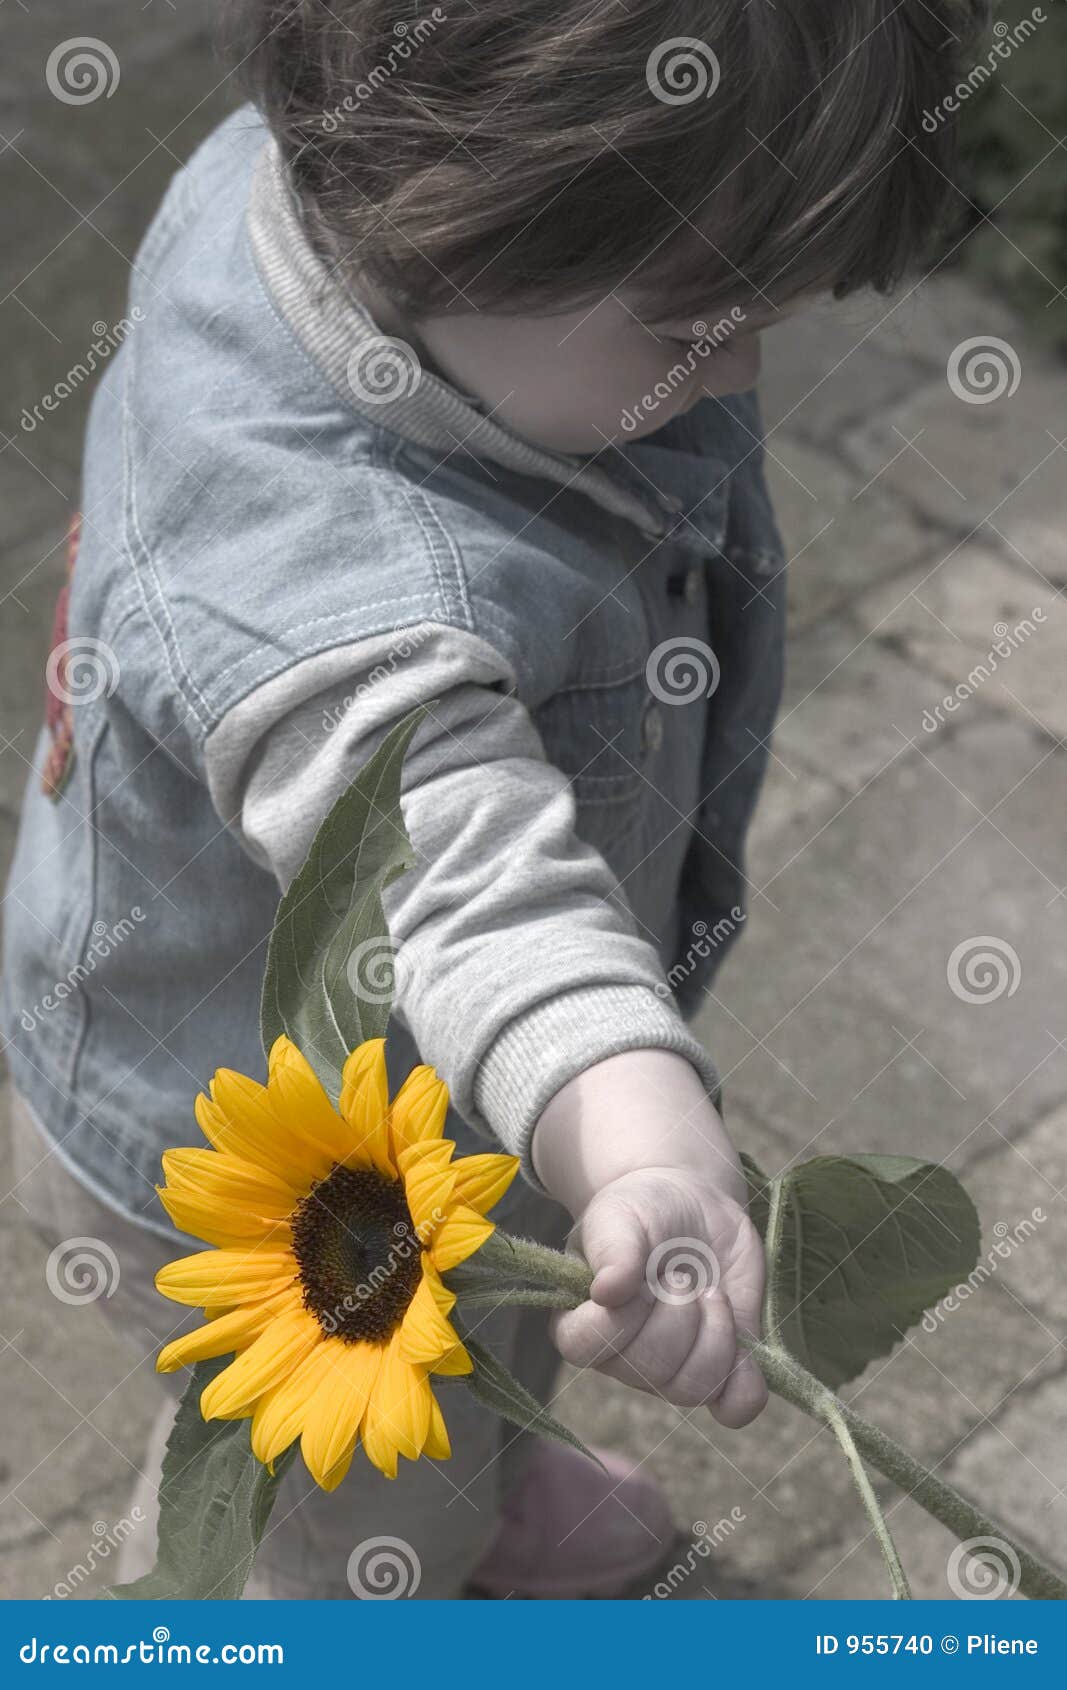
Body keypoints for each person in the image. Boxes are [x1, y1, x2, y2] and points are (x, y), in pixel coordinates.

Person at [2, 0, 982, 1598]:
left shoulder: (314, 171)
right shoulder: (340, 582)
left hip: (357, 1093)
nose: (740, 367)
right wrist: (639, 1123)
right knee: (361, 1482)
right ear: (448, 221)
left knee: (500, 1320)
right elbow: (466, 872)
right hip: (257, 1182)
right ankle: (325, 1586)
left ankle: (481, 1473)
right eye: (690, 326)